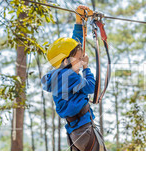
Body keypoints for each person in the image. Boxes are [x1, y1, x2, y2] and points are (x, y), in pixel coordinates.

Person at [41, 5, 106, 151]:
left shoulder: (59, 74)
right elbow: (91, 87)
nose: (81, 57)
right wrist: (86, 67)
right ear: (66, 61)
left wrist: (79, 22)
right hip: (85, 130)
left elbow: (73, 47)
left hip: (75, 133)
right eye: (79, 57)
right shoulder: (70, 77)